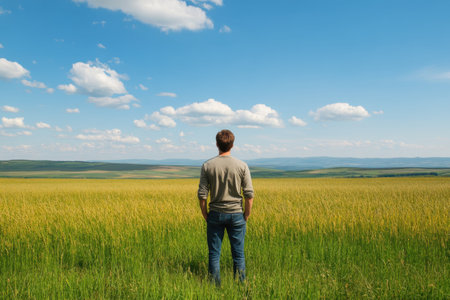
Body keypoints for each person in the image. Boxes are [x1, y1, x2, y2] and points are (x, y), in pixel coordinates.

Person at [197, 129, 254, 286]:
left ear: (217, 144)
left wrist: (206, 214)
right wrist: (246, 215)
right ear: (233, 145)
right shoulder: (242, 165)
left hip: (215, 214)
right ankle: (241, 287)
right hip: (237, 214)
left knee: (214, 254)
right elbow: (249, 195)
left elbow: (202, 195)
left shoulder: (207, 166)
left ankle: (215, 289)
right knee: (239, 255)